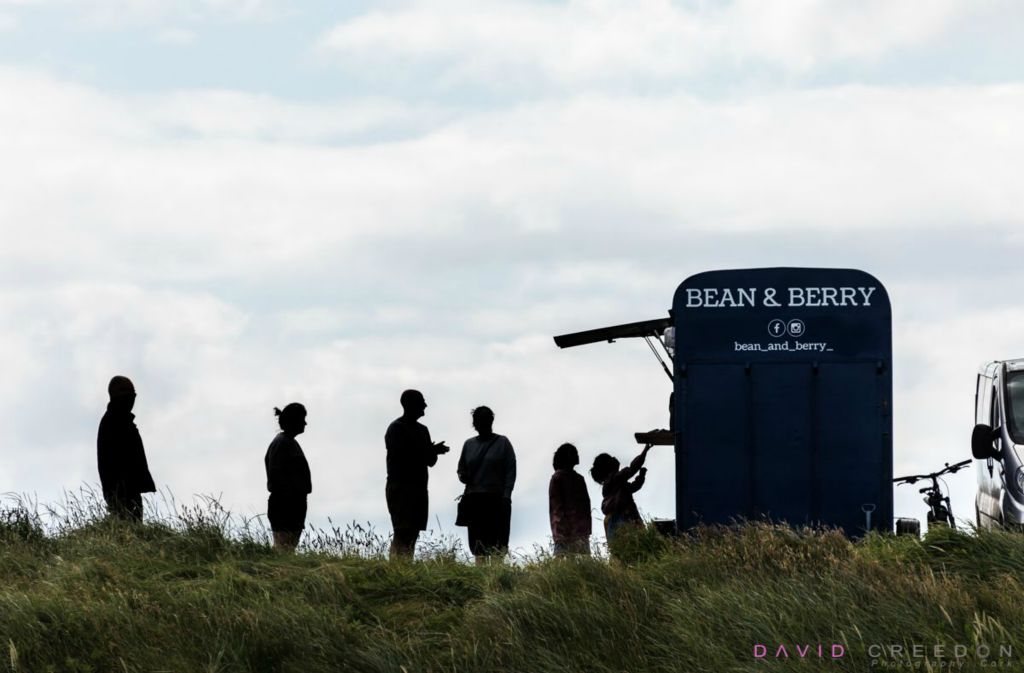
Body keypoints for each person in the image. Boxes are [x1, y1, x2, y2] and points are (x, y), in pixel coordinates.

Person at [385, 390, 449, 559]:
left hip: (419, 489)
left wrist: (433, 451)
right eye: (421, 401)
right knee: (401, 531)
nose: (425, 405)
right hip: (401, 488)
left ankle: (404, 567)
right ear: (410, 404)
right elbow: (404, 457)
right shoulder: (395, 428)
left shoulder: (423, 430)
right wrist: (430, 450)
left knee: (413, 533)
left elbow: (430, 461)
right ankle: (396, 568)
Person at [457, 406, 516, 563]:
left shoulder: (503, 442)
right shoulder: (468, 445)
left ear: (491, 421)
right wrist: (464, 477)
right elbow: (461, 470)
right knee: (479, 548)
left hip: (497, 500)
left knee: (498, 546)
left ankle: (495, 581)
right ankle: (484, 582)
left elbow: (511, 471)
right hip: (475, 500)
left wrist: (506, 496)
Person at [97, 375, 156, 522]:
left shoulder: (119, 421)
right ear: (121, 396)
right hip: (123, 493)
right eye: (131, 395)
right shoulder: (114, 422)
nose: (133, 399)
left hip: (128, 491)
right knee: (129, 528)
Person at [264, 403, 311, 551]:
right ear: (293, 420)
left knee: (287, 550)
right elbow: (275, 478)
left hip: (291, 507)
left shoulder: (288, 443)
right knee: (283, 550)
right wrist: (291, 496)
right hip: (285, 508)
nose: (305, 423)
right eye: (302, 419)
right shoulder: (281, 444)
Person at [590, 444, 652, 545]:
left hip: (613, 522)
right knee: (636, 547)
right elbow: (632, 469)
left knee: (621, 551)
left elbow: (632, 487)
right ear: (609, 466)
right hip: (625, 518)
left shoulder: (612, 484)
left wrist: (641, 476)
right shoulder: (616, 478)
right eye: (611, 458)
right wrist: (645, 451)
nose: (614, 458)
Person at [548, 443, 592, 556]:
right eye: (574, 453)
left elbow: (586, 506)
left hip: (578, 531)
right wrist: (560, 532)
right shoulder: (558, 478)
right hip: (566, 530)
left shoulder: (578, 479)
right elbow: (556, 508)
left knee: (579, 563)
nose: (577, 456)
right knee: (566, 561)